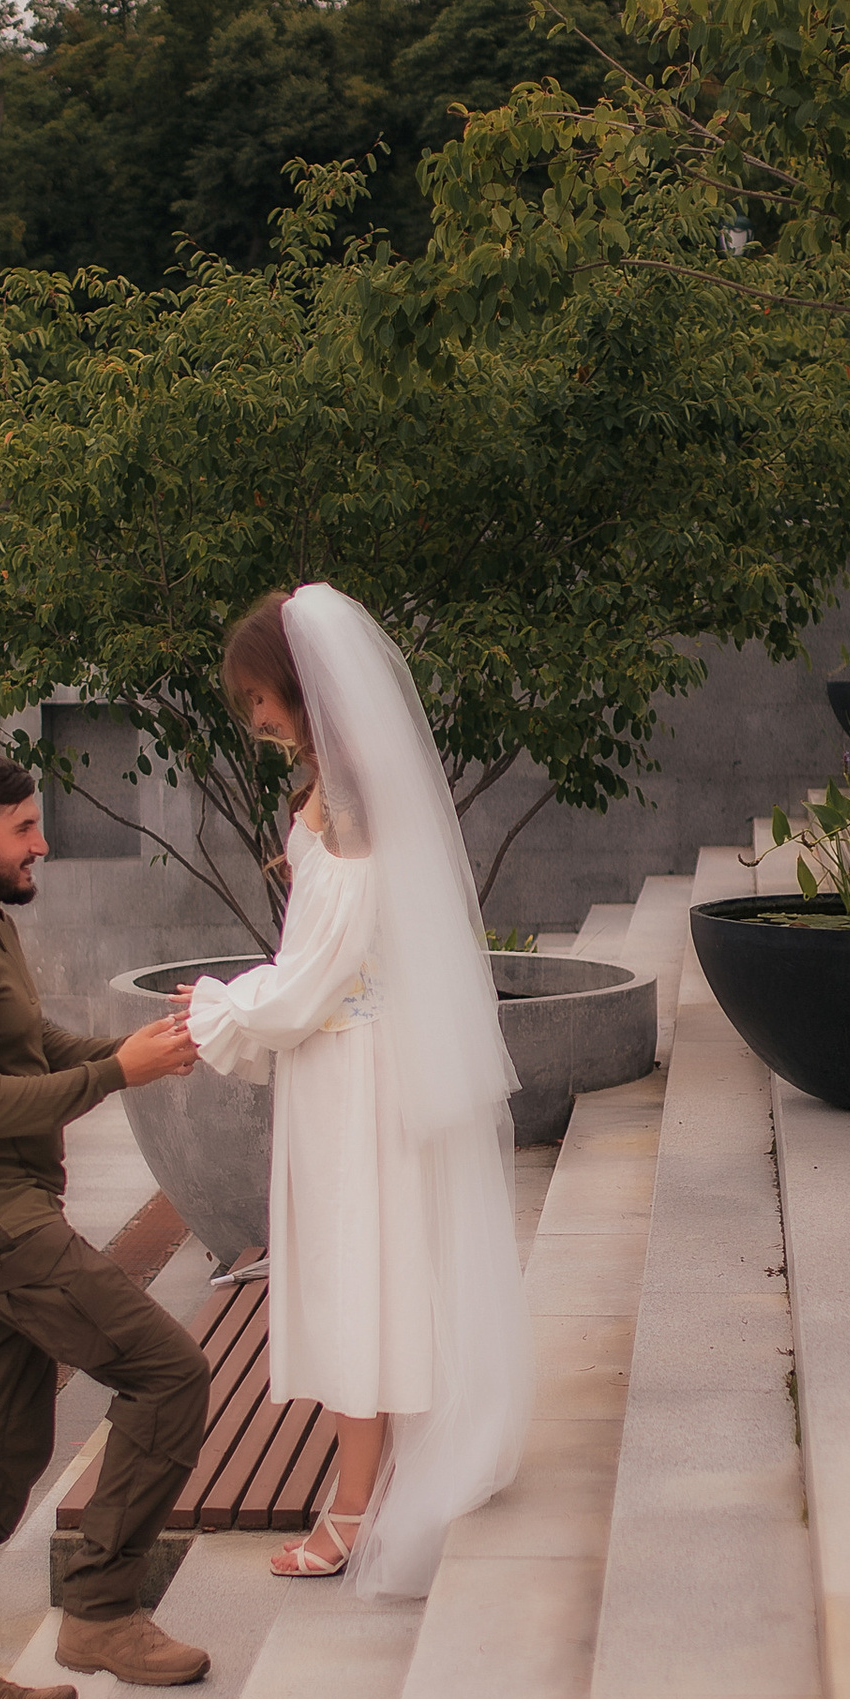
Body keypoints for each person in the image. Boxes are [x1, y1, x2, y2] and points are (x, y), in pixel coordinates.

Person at [188, 584, 532, 1596]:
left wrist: (214, 1011)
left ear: (298, 689)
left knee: (361, 1276)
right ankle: (373, 1482)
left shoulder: (346, 805)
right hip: (356, 1061)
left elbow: (312, 979)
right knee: (375, 1268)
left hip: (353, 1071)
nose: (253, 719)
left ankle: (348, 1510)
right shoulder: (341, 792)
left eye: (259, 699)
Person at [0, 744, 214, 1699]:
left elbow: (34, 1047)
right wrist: (121, 1078)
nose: (44, 843)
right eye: (25, 829)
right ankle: (102, 1611)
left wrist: (135, 1046)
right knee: (170, 1374)